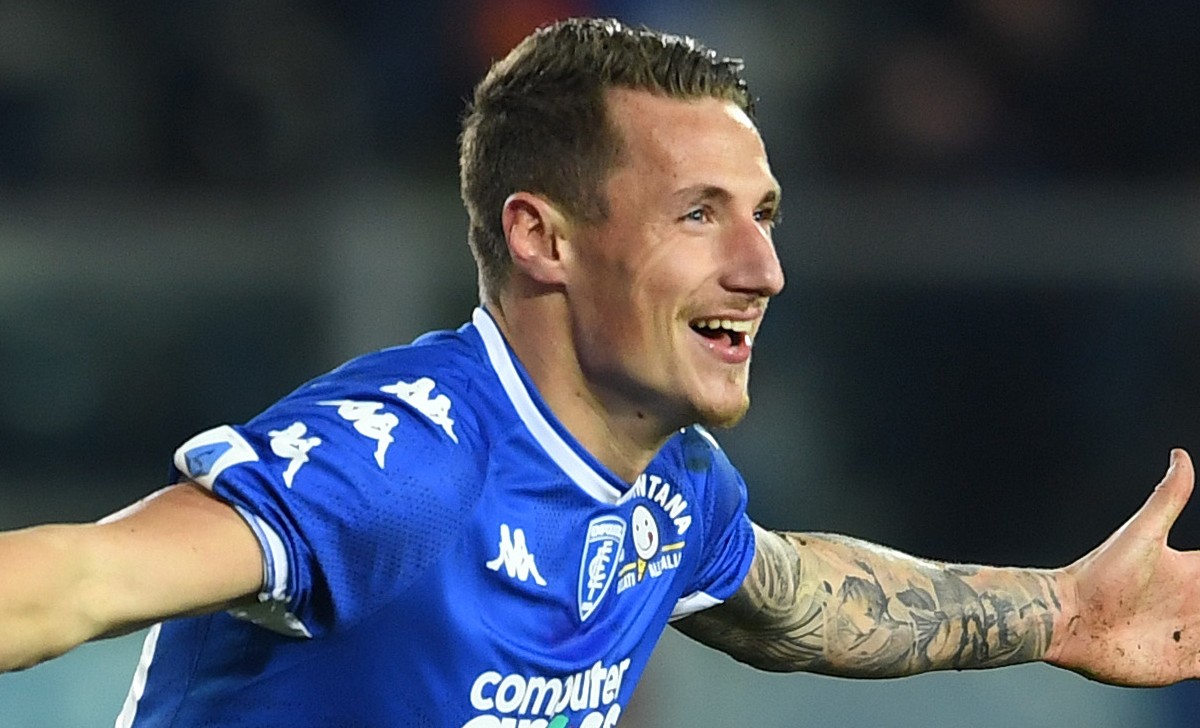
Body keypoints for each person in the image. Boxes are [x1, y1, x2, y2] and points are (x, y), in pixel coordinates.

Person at [3, 16, 1200, 727]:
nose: (763, 269)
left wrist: (1065, 609)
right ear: (544, 237)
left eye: (764, 215)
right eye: (699, 213)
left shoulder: (677, 490)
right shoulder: (405, 464)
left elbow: (802, 598)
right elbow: (82, 576)